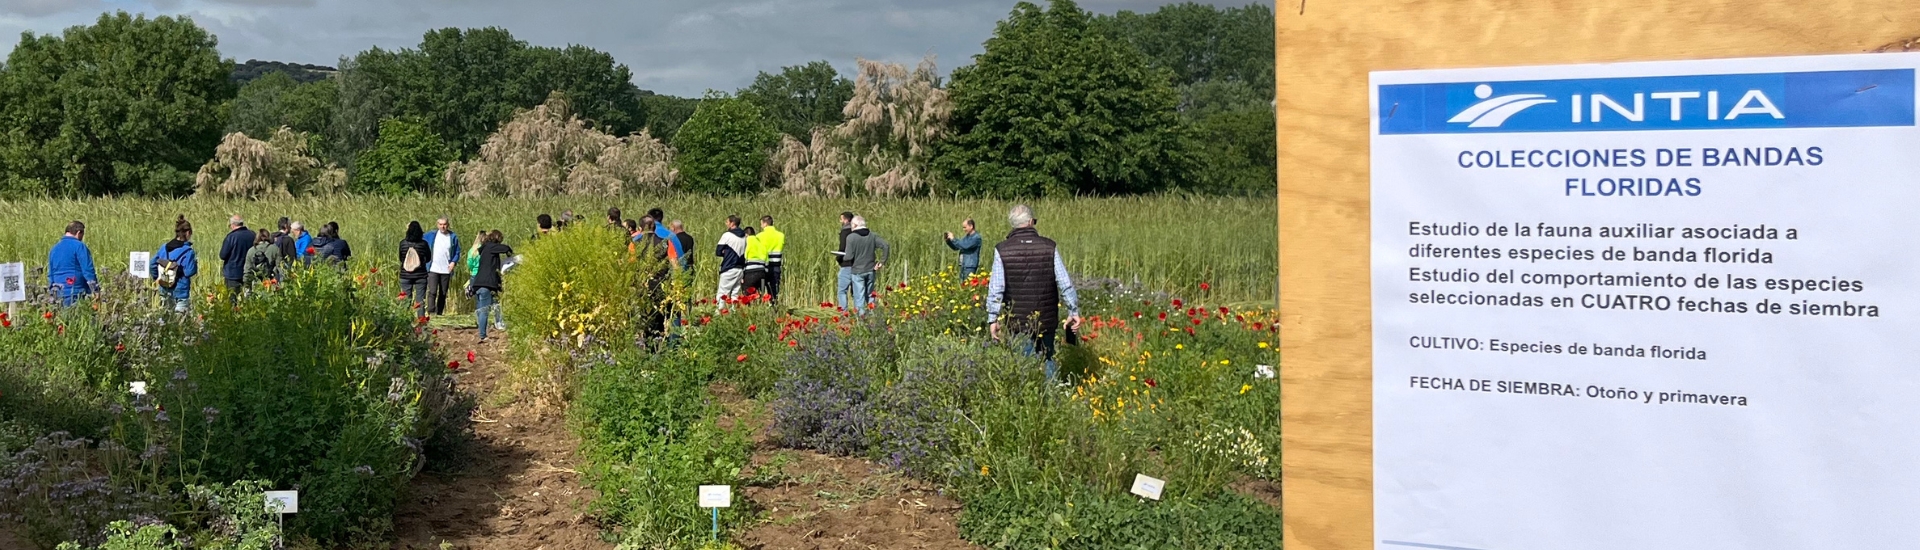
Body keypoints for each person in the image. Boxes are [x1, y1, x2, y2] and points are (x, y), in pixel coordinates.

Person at [985, 204, 1082, 382]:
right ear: (1030, 222)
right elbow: (1065, 283)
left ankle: (1028, 395)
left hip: (1017, 320)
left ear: (1013, 224)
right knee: (1048, 358)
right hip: (1047, 317)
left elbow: (996, 288)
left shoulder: (1002, 250)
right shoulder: (1049, 246)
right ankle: (1052, 394)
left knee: (1024, 364)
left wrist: (993, 318)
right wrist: (1073, 311)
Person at [634, 218, 673, 341]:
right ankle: (657, 342)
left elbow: (629, 265)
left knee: (644, 317)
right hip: (660, 284)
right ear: (655, 227)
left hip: (642, 285)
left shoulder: (634, 243)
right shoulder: (665, 243)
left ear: (640, 228)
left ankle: (646, 342)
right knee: (659, 317)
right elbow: (675, 264)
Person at [470, 230, 513, 342]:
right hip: (486, 284)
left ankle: (483, 332)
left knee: (481, 310)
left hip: (478, 283)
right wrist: (510, 253)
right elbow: (506, 248)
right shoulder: (491, 247)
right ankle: (483, 335)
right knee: (484, 310)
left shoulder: (484, 249)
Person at [150, 216, 198, 312]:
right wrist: (195, 263)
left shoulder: (164, 247)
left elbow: (152, 265)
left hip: (164, 288)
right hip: (181, 291)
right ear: (188, 233)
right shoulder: (188, 251)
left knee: (166, 317)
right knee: (180, 319)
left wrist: (158, 277)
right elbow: (189, 272)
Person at [842, 215, 889, 313]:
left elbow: (848, 257)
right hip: (871, 270)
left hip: (857, 271)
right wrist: (881, 262)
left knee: (859, 296)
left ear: (854, 225)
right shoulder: (872, 235)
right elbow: (885, 245)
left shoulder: (851, 237)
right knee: (870, 295)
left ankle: (861, 318)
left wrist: (843, 256)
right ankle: (872, 317)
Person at [47, 221, 98, 306]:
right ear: (79, 233)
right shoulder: (79, 246)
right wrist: (95, 290)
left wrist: (51, 291)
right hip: (75, 291)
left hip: (57, 292)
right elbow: (88, 270)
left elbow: (50, 273)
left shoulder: (54, 249)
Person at [423, 217, 461, 316]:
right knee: (432, 291)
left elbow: (457, 252)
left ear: (448, 225)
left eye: (444, 224)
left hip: (446, 269)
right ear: (437, 225)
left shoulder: (452, 237)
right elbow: (419, 238)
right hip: (433, 268)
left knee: (443, 292)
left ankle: (439, 312)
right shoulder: (431, 235)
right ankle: (431, 312)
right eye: (440, 224)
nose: (442, 226)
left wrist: (453, 262)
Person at [399, 221, 431, 317]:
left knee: (406, 300)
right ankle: (421, 321)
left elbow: (401, 258)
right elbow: (428, 258)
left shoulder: (403, 243)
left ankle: (404, 320)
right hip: (420, 275)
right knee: (420, 299)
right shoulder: (423, 244)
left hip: (405, 275)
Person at [713, 215, 747, 306]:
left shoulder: (727, 235)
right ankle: (734, 311)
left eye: (727, 222)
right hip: (740, 268)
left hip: (729, 267)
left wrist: (726, 252)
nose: (726, 224)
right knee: (735, 294)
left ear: (732, 223)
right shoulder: (744, 236)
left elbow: (718, 251)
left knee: (722, 293)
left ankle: (719, 311)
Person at [218, 215, 256, 296]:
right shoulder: (252, 235)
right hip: (249, 271)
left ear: (232, 225)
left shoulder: (231, 237)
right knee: (249, 297)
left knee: (233, 297)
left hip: (233, 273)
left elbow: (223, 255)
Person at [756, 216, 786, 302]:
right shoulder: (781, 235)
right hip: (776, 265)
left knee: (761, 288)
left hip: (763, 265)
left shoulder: (759, 236)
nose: (761, 226)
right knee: (774, 288)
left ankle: (761, 304)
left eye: (761, 224)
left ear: (765, 224)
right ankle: (773, 304)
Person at [833, 211, 856, 309]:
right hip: (857, 265)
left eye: (841, 219)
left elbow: (842, 248)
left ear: (846, 220)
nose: (840, 221)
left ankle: (844, 312)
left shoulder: (845, 231)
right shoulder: (857, 232)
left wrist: (838, 259)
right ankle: (859, 311)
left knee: (842, 291)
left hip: (846, 264)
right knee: (856, 291)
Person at [741, 225, 766, 296]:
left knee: (747, 293)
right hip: (762, 271)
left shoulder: (746, 242)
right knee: (759, 294)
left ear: (746, 234)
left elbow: (743, 258)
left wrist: (741, 275)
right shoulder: (760, 243)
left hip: (750, 271)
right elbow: (766, 257)